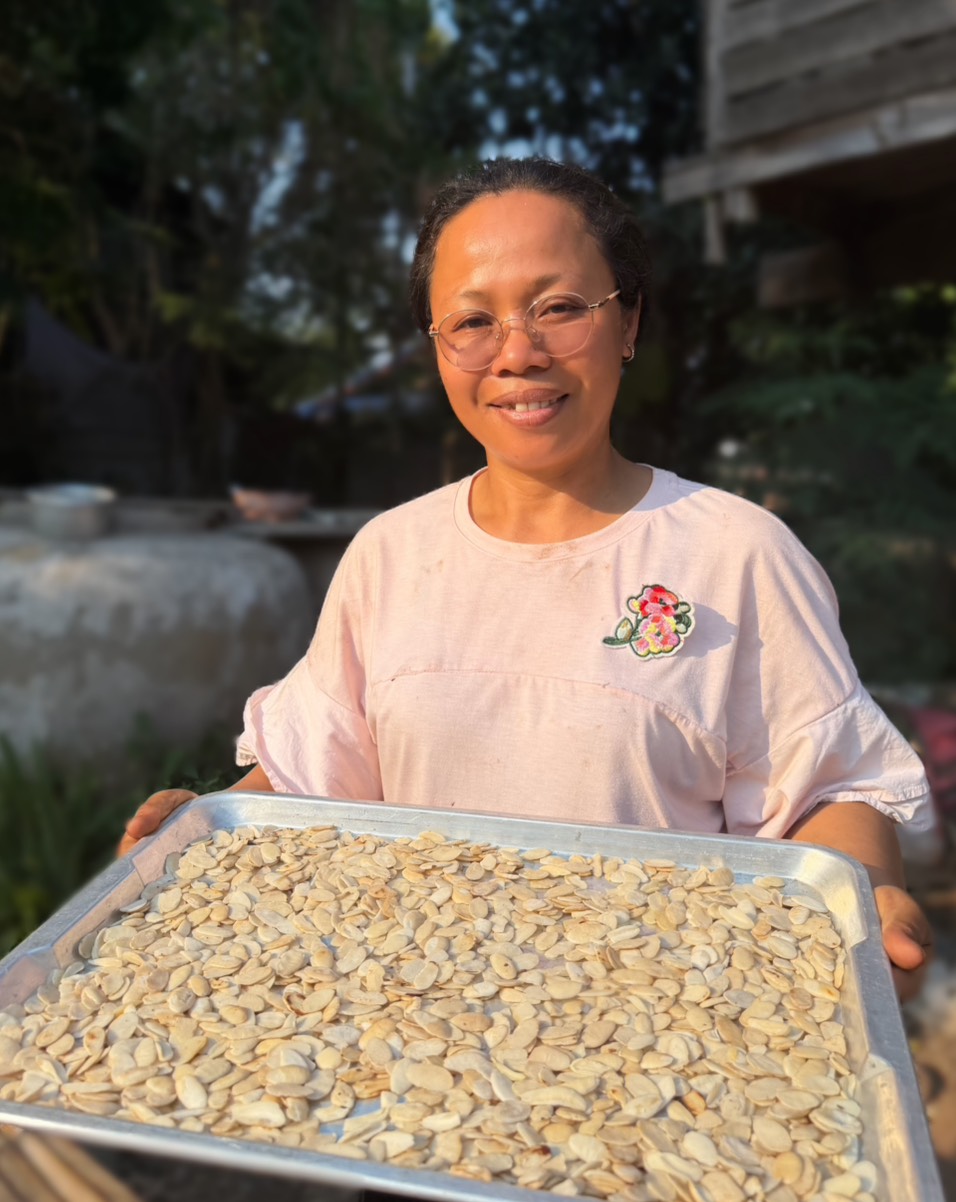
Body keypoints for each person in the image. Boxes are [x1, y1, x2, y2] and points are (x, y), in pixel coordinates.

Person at [121, 156, 934, 1002]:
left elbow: (830, 790)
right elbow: (310, 778)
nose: (517, 354)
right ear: (436, 347)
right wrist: (211, 836)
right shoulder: (389, 554)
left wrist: (861, 909)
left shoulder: (736, 555)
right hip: (408, 1034)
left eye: (559, 309)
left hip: (657, 1042)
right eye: (472, 322)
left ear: (627, 324)